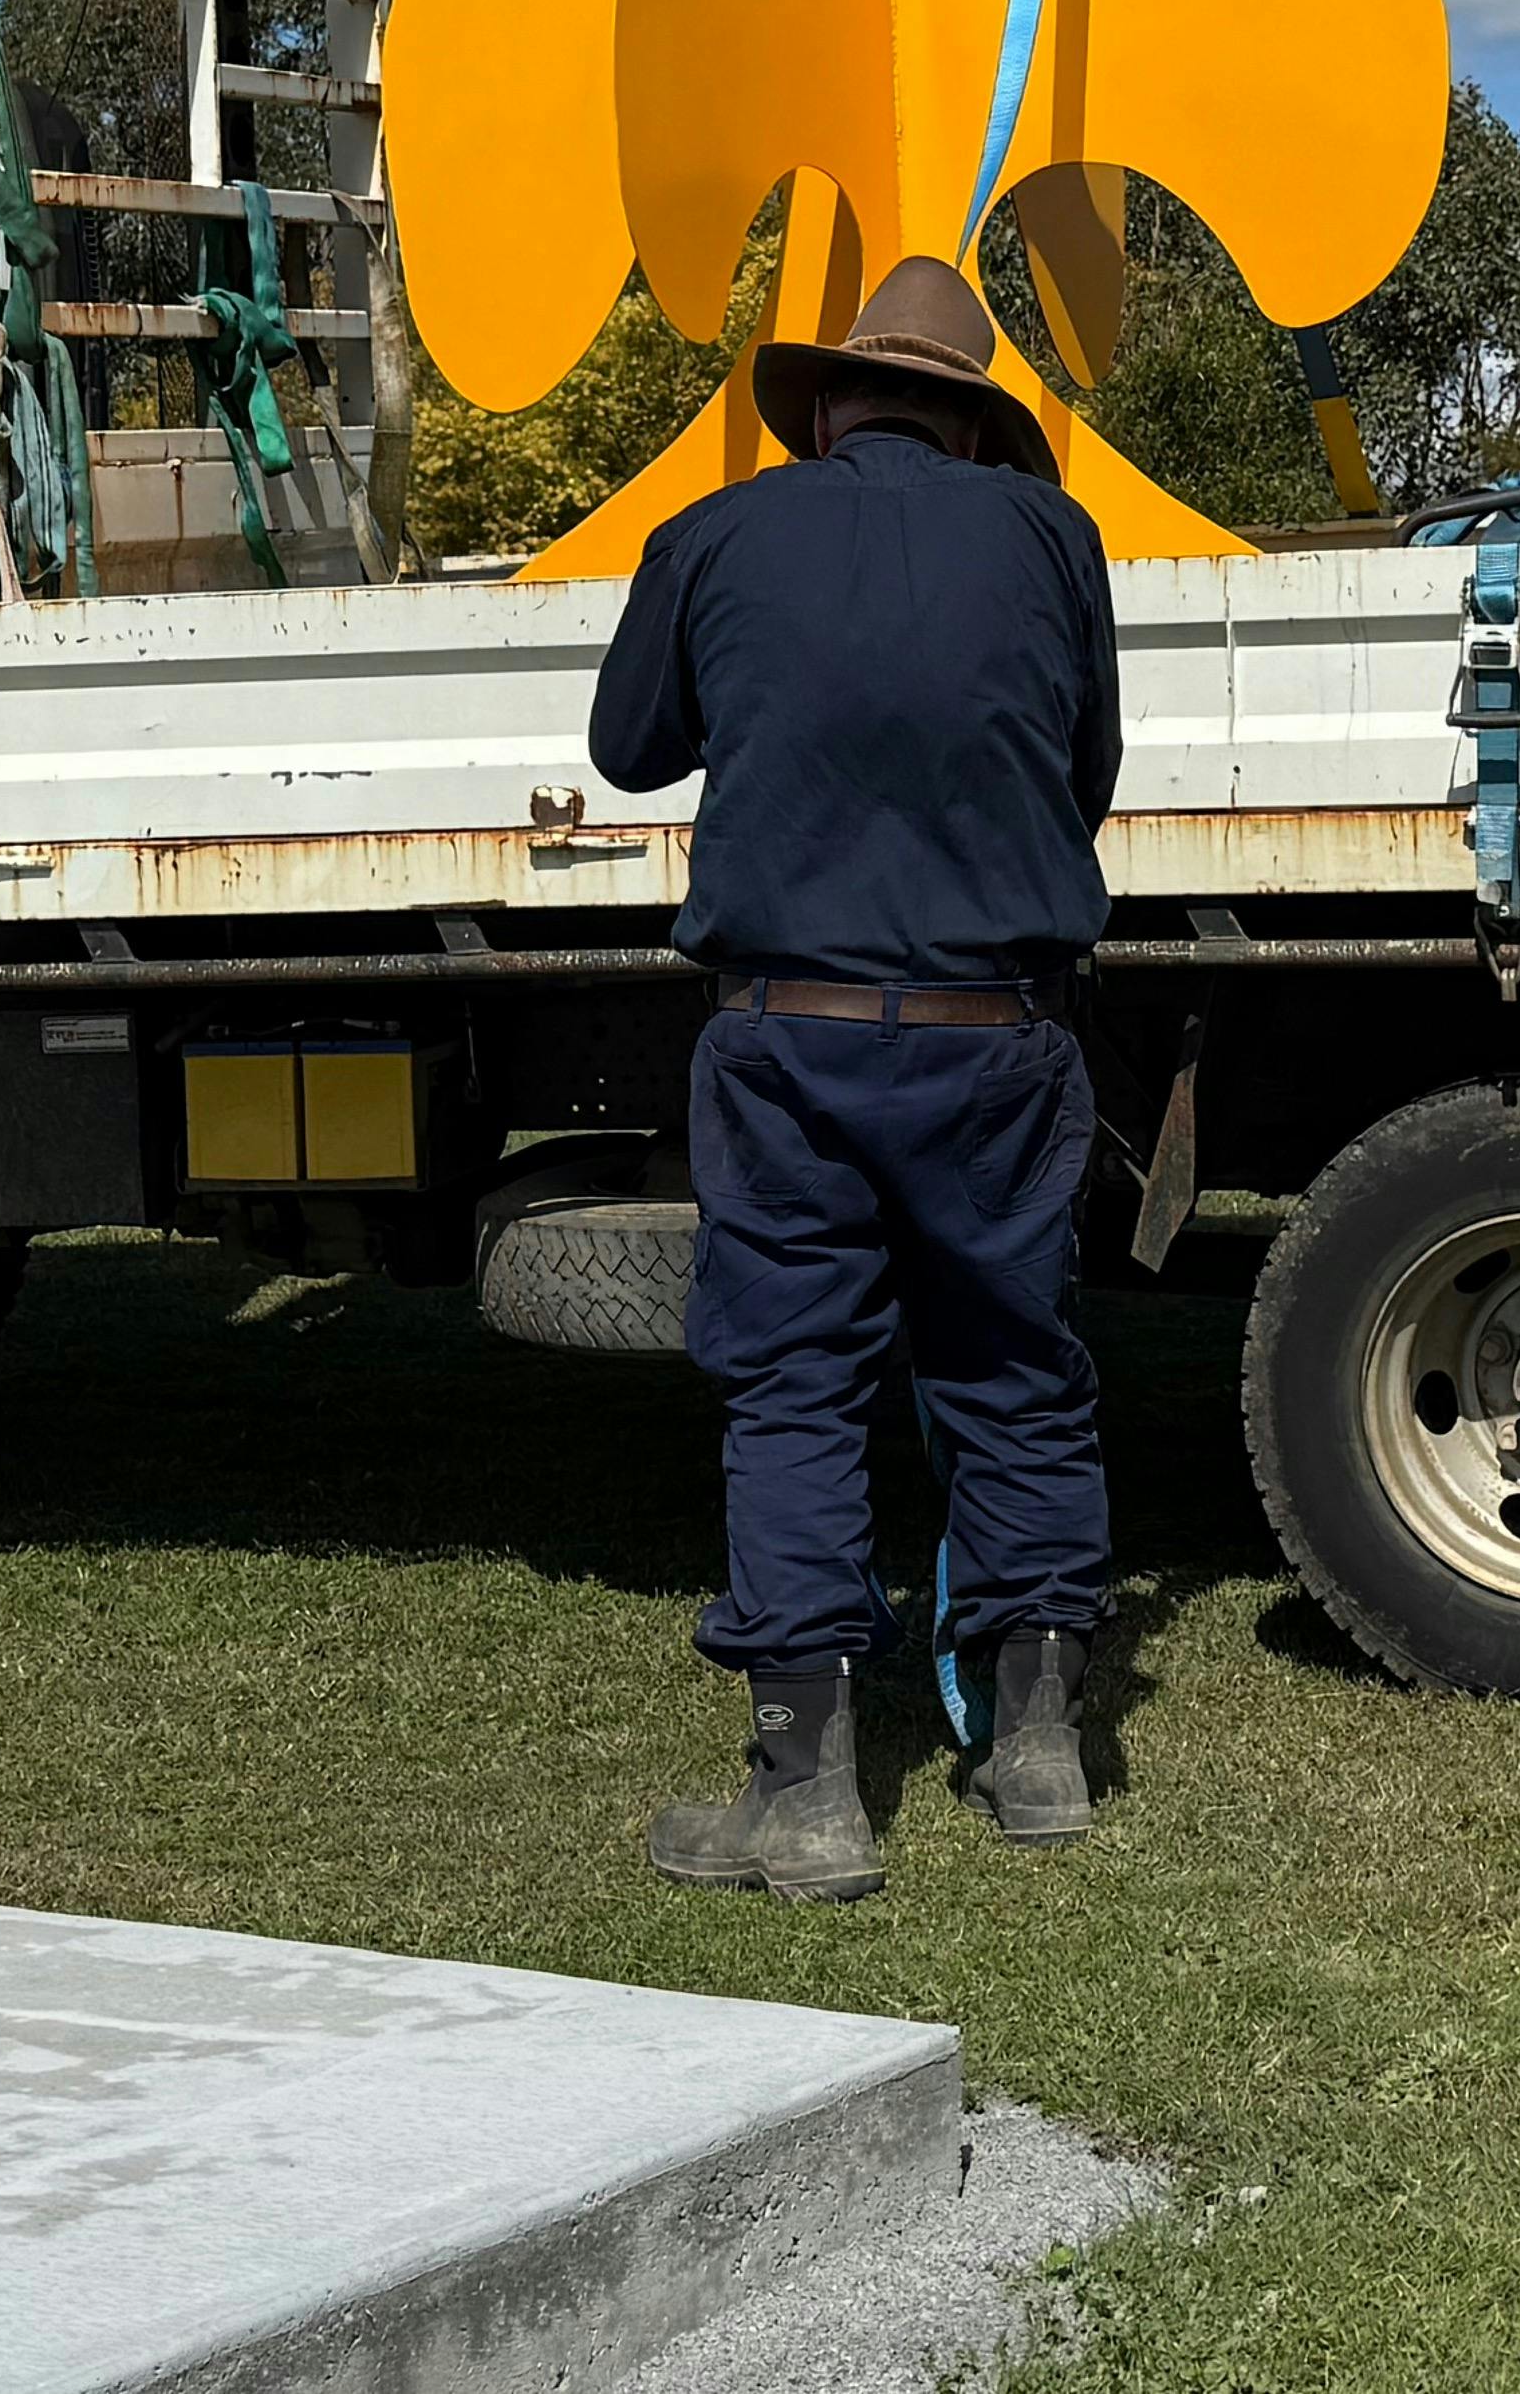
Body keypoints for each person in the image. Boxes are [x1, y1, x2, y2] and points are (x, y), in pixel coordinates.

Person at [588, 253, 1123, 1904]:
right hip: (996, 1036)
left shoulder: (723, 532)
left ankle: (807, 1796)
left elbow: (630, 747)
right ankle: (1036, 1755)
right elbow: (1085, 768)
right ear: (971, 426)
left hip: (791, 1034)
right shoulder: (1052, 539)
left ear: (825, 404)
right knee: (1013, 1368)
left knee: (796, 1383)